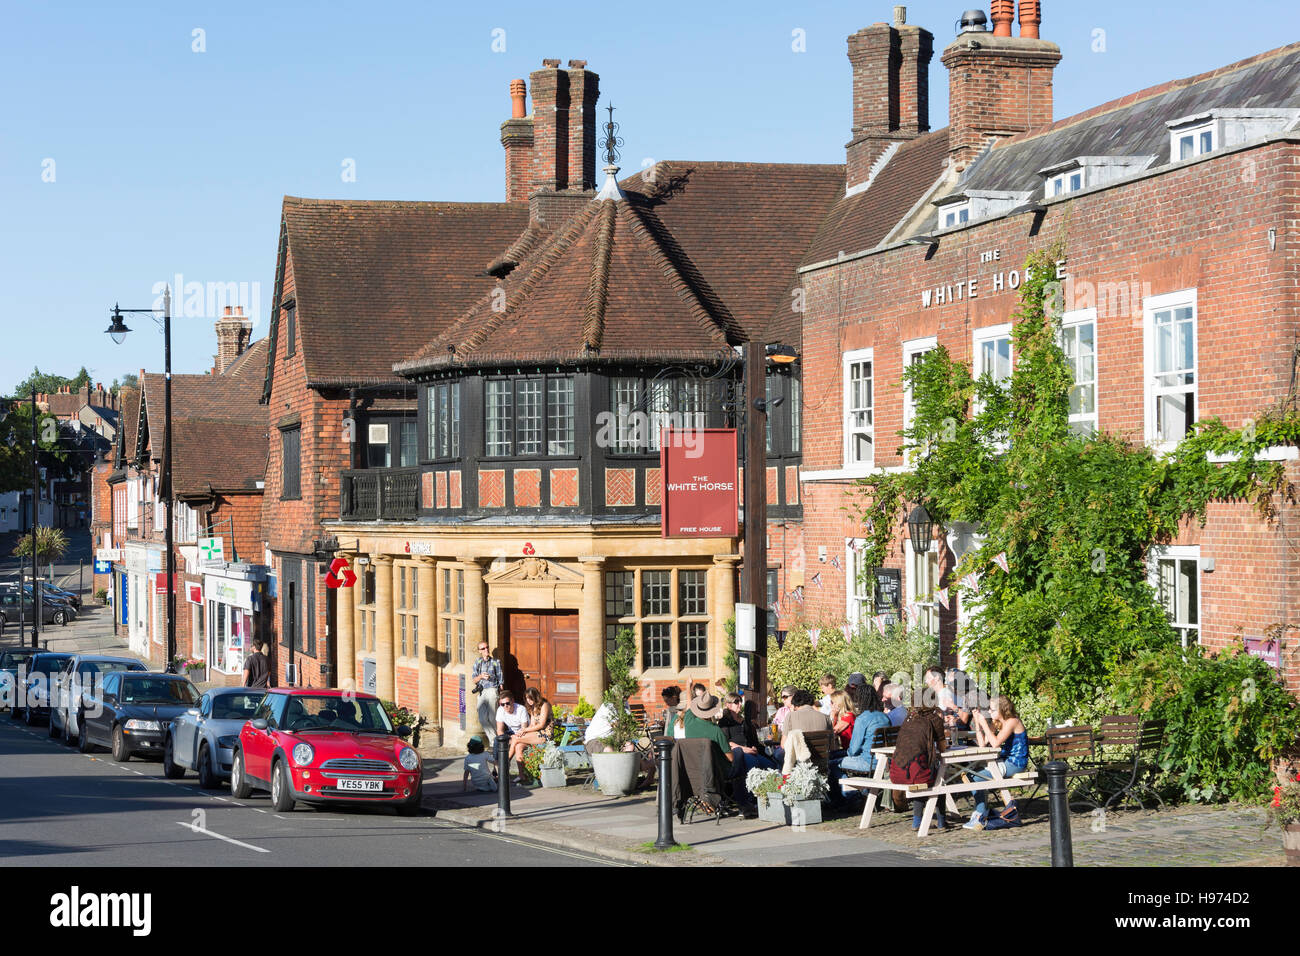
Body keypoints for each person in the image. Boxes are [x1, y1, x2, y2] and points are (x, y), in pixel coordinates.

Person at [964, 695, 1030, 829]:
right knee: (971, 775)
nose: (989, 712)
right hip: (1004, 760)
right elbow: (982, 744)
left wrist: (984, 724)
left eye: (992, 709)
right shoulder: (998, 722)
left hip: (1015, 763)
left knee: (977, 778)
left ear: (1002, 710)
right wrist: (977, 722)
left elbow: (994, 744)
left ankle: (980, 815)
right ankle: (980, 813)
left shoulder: (1013, 721)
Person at [890, 702, 949, 830]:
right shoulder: (934, 719)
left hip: (896, 771)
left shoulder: (909, 718)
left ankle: (919, 821)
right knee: (938, 780)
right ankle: (940, 822)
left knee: (926, 774)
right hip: (915, 772)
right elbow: (942, 748)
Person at [719, 692, 776, 815]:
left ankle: (770, 797)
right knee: (753, 764)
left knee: (771, 765)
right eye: (736, 702)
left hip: (749, 751)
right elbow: (727, 743)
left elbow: (751, 740)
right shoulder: (725, 722)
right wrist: (745, 749)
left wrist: (753, 747)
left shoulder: (744, 721)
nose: (739, 704)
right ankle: (751, 800)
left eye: (740, 701)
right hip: (737, 753)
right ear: (728, 705)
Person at [682, 692, 740, 812]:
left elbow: (689, 708)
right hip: (716, 773)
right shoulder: (715, 731)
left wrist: (691, 690)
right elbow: (730, 758)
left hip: (693, 771)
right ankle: (743, 799)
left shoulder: (688, 722)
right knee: (739, 752)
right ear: (713, 710)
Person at [584, 699, 655, 786]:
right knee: (609, 750)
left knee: (630, 746)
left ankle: (632, 775)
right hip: (595, 740)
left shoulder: (624, 703)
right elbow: (618, 725)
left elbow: (626, 723)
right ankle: (616, 781)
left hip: (613, 740)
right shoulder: (608, 706)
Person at [839, 685, 891, 776]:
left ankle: (850, 790)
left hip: (868, 762)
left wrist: (846, 753)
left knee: (833, 763)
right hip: (885, 762)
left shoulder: (862, 718)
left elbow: (853, 751)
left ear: (860, 699)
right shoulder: (884, 717)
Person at [508, 687, 554, 785]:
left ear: (536, 697)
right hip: (536, 734)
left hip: (545, 734)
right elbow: (532, 725)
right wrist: (523, 732)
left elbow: (541, 725)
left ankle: (504, 764)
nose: (528, 701)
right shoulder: (533, 707)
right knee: (518, 746)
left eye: (530, 698)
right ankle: (522, 775)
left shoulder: (544, 705)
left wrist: (524, 730)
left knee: (515, 738)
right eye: (527, 699)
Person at [471, 641, 504, 744]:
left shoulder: (495, 662)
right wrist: (481, 676)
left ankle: (496, 741)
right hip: (481, 692)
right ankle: (495, 739)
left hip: (492, 690)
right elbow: (474, 680)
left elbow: (501, 680)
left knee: (492, 717)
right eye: (483, 648)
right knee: (482, 718)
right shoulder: (478, 662)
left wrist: (502, 696)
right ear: (479, 651)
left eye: (487, 647)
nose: (486, 650)